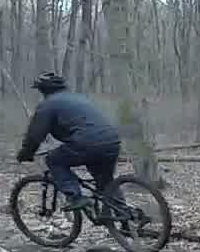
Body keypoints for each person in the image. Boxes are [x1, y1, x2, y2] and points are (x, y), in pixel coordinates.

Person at [16, 72, 122, 210]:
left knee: (54, 160)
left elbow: (35, 135)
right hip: (111, 141)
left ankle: (75, 197)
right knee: (106, 184)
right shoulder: (78, 99)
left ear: (43, 90)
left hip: (87, 142)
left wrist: (26, 153)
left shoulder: (48, 105)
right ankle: (126, 222)